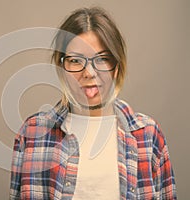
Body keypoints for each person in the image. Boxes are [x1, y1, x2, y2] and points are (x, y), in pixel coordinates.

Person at [9, 6, 177, 200]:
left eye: (103, 59)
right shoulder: (32, 133)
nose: (89, 72)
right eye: (75, 60)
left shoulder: (148, 135)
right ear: (62, 65)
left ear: (116, 66)